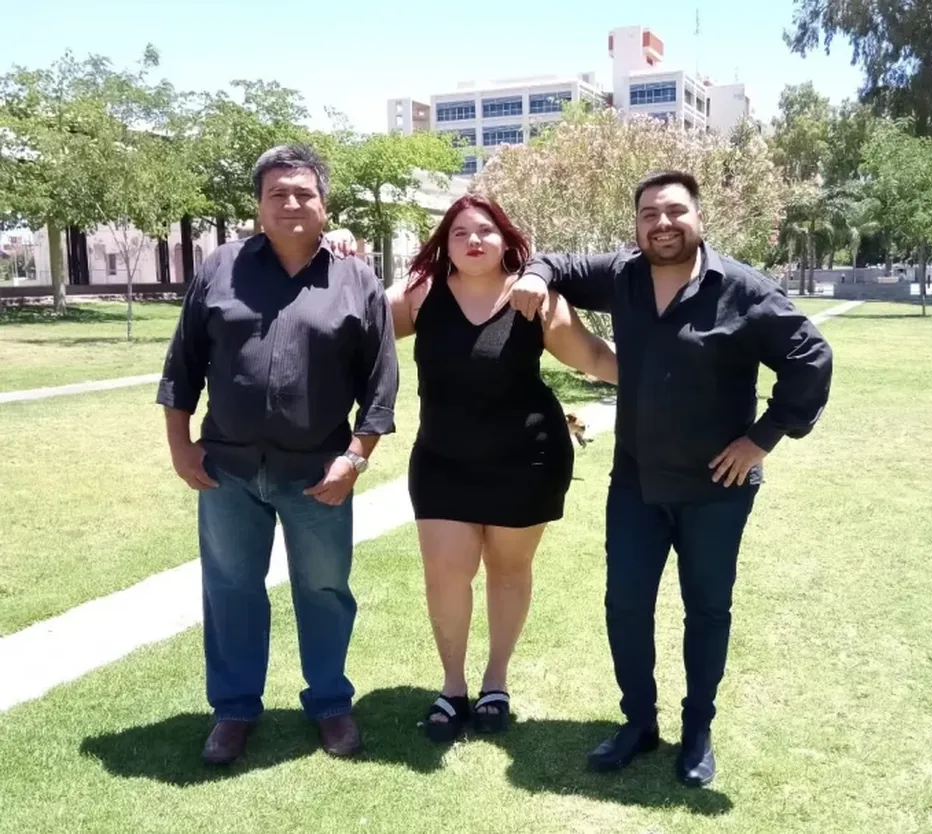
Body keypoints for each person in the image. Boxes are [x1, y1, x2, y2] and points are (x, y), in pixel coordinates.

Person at [501, 170, 833, 787]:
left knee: (707, 609)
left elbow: (810, 357)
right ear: (636, 224)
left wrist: (761, 440)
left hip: (716, 489)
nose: (662, 223)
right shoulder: (623, 275)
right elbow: (558, 263)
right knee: (625, 605)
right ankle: (639, 722)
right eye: (649, 213)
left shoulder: (742, 289)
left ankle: (698, 729)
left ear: (698, 218)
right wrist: (536, 275)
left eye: (676, 211)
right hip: (636, 484)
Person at [327, 194, 618, 742]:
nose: (473, 241)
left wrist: (663, 378)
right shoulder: (421, 294)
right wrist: (338, 259)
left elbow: (595, 357)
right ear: (446, 243)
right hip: (443, 462)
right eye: (459, 233)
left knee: (509, 570)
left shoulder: (535, 296)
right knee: (445, 573)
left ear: (506, 239)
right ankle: (453, 687)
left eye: (485, 230)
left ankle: (495, 682)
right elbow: (349, 320)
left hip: (527, 460)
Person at [156, 143, 398, 765]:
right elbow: (183, 364)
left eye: (303, 193)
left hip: (318, 473)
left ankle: (330, 703)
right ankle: (234, 709)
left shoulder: (355, 279)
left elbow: (380, 383)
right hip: (227, 471)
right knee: (231, 590)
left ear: (324, 204)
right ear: (259, 205)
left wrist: (355, 459)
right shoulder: (221, 268)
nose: (291, 203)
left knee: (324, 588)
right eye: (277, 193)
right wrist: (180, 446)